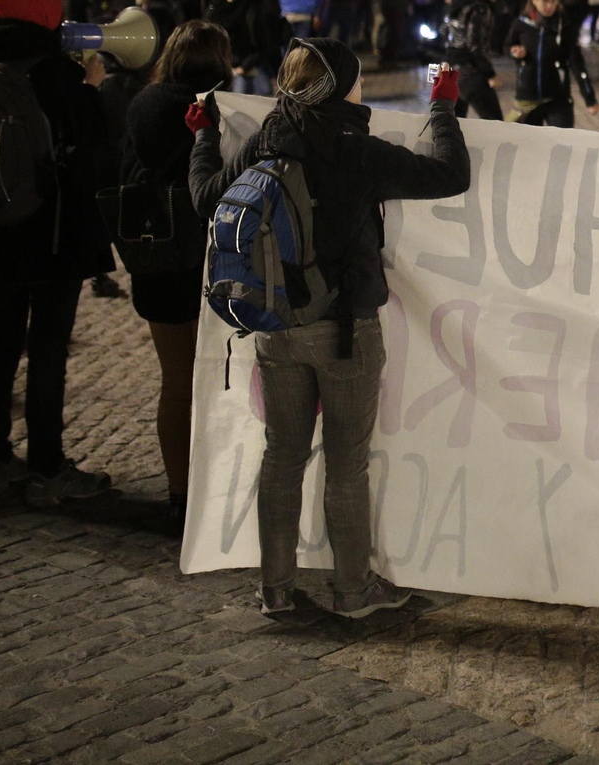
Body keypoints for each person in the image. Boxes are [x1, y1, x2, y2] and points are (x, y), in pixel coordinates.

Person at [188, 38, 469, 616]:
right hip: (344, 332)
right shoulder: (357, 151)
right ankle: (351, 591)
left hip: (276, 327)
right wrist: (442, 106)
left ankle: (276, 589)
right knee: (346, 464)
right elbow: (449, 174)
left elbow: (205, 199)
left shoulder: (269, 137)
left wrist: (202, 137)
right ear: (339, 87)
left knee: (282, 456)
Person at [0, 0, 119, 506]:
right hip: (49, 235)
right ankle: (48, 467)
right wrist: (91, 91)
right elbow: (92, 154)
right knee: (48, 350)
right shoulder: (52, 74)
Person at [119, 20, 232, 528]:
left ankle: (180, 493)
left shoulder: (143, 103)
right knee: (218, 381)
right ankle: (219, 486)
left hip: (156, 252)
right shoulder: (218, 108)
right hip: (210, 256)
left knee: (175, 380)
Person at [507, 0, 598, 128]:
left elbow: (577, 63)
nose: (550, 6)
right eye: (545, 0)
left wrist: (590, 98)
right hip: (528, 97)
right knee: (529, 146)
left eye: (554, 1)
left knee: (562, 144)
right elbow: (507, 45)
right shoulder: (521, 23)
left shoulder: (564, 26)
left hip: (558, 98)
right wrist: (515, 53)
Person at [441, 0, 503, 121]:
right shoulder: (481, 9)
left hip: (449, 69)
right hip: (469, 71)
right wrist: (490, 74)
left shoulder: (459, 5)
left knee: (455, 125)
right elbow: (475, 45)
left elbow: (443, 31)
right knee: (496, 125)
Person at [209, 0, 278, 95]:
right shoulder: (215, 9)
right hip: (220, 68)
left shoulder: (251, 8)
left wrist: (245, 66)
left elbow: (260, 39)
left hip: (244, 67)